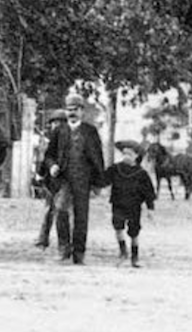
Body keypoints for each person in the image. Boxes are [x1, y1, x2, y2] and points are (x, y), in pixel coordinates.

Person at [45, 93, 105, 265]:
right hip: (63, 179)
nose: (72, 113)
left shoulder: (90, 131)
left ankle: (79, 253)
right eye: (69, 109)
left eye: (75, 110)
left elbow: (98, 158)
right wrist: (52, 166)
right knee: (60, 210)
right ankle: (64, 249)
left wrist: (98, 183)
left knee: (81, 216)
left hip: (83, 179)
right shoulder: (59, 131)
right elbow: (49, 155)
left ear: (82, 111)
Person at [103, 141, 156, 268]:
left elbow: (149, 192)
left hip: (134, 205)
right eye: (124, 153)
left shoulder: (141, 173)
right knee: (118, 226)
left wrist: (150, 208)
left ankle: (135, 256)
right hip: (118, 203)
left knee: (134, 231)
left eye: (130, 154)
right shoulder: (115, 169)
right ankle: (123, 251)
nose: (126, 156)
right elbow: (103, 179)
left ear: (136, 156)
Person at [34, 109, 67, 248]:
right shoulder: (49, 140)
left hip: (64, 181)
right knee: (49, 210)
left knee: (60, 211)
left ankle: (63, 243)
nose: (55, 126)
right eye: (54, 123)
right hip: (51, 181)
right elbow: (45, 159)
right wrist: (40, 174)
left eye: (58, 123)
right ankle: (43, 238)